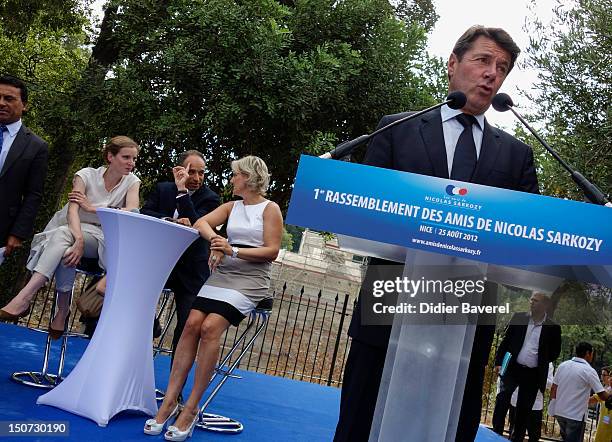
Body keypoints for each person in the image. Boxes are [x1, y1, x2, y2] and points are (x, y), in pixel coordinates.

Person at [334, 25, 539, 442]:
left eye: (502, 68)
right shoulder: (396, 129)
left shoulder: (517, 155)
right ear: (452, 64)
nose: (492, 74)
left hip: (466, 315)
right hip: (390, 304)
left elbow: (528, 239)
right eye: (482, 60)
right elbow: (366, 215)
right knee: (360, 421)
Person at [143, 155, 283, 441]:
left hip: (251, 280)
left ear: (248, 178)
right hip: (222, 275)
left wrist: (233, 250)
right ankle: (170, 401)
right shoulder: (232, 206)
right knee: (192, 323)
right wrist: (216, 242)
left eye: (235, 175)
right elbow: (200, 223)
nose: (231, 180)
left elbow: (271, 251)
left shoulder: (271, 209)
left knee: (209, 328)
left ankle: (191, 408)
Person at [0, 136, 140, 338]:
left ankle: (25, 296)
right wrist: (79, 240)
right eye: (126, 157)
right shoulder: (85, 175)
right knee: (66, 246)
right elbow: (72, 212)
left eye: (134, 159)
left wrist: (94, 208)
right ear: (110, 156)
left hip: (105, 236)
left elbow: (132, 210)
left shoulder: (132, 181)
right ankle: (62, 309)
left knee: (63, 236)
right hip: (72, 228)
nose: (131, 163)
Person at [140, 150, 220, 368]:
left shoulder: (211, 199)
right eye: (191, 172)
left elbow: (199, 224)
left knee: (187, 326)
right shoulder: (163, 189)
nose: (196, 178)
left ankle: (175, 390)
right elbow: (145, 212)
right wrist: (168, 220)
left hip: (191, 270)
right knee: (137, 303)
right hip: (159, 264)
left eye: (201, 173)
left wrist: (183, 193)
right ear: (179, 170)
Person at [492, 293, 562, 441]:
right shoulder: (519, 318)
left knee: (523, 411)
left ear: (545, 305)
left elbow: (555, 352)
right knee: (502, 399)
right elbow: (505, 342)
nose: (531, 303)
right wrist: (499, 363)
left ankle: (516, 438)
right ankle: (495, 435)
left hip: (532, 374)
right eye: (531, 300)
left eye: (536, 301)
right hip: (512, 368)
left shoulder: (553, 327)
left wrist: (541, 358)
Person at [0, 76, 48, 261]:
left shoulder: (36, 146)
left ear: (24, 105)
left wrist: (18, 233)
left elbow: (33, 194)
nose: (1, 103)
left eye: (9, 99)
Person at [550, 342, 611, 442]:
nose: (592, 356)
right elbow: (601, 394)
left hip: (560, 412)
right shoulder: (589, 371)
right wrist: (609, 397)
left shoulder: (563, 365)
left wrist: (552, 406)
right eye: (592, 353)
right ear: (588, 353)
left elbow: (554, 387)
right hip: (575, 416)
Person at [505, 363, 554, 441]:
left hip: (535, 405)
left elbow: (549, 384)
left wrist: (537, 376)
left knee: (534, 436)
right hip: (516, 401)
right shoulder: (522, 356)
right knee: (515, 434)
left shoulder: (547, 363)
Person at [590, 367, 612, 442]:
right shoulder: (605, 390)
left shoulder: (607, 390)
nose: (602, 377)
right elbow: (592, 399)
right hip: (603, 422)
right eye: (601, 375)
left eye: (604, 375)